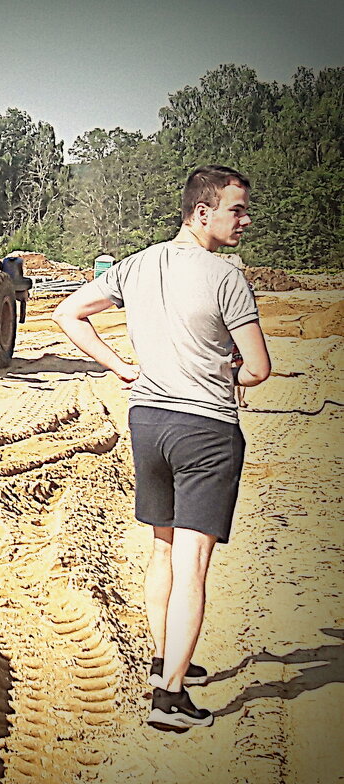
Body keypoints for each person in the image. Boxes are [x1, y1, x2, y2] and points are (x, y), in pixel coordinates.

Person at [52, 165, 271, 731]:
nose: (244, 219)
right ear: (203, 212)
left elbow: (67, 314)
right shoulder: (227, 279)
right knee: (193, 565)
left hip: (148, 423)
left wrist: (120, 367)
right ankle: (171, 700)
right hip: (206, 431)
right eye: (236, 210)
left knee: (162, 551)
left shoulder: (137, 264)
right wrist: (227, 371)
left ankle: (164, 661)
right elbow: (260, 369)